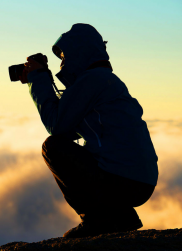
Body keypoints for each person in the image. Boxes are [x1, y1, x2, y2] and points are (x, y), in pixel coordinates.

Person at [19, 23, 158, 238]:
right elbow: (68, 130)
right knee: (60, 145)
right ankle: (120, 216)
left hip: (124, 181)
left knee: (52, 148)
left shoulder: (92, 80)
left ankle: (96, 219)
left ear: (78, 53)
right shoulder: (103, 81)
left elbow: (56, 127)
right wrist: (41, 79)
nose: (63, 63)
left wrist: (38, 80)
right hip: (138, 181)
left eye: (65, 56)